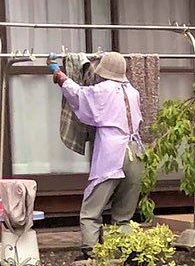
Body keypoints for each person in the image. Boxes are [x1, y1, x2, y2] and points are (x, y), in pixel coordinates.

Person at [52, 50, 145, 252]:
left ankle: (90, 254)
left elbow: (79, 96)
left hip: (113, 154)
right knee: (123, 217)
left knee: (91, 211)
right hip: (136, 153)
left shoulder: (103, 90)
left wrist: (60, 76)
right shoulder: (133, 92)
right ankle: (126, 253)